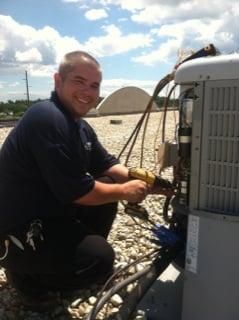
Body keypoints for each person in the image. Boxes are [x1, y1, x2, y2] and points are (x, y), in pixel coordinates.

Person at [0, 51, 164, 311]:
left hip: (48, 212)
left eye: (94, 85)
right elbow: (81, 192)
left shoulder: (78, 126)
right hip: (19, 229)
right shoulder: (47, 118)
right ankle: (27, 278)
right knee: (101, 261)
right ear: (58, 80)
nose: (87, 91)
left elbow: (109, 165)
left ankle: (59, 260)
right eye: (79, 81)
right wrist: (125, 191)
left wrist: (156, 186)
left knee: (108, 186)